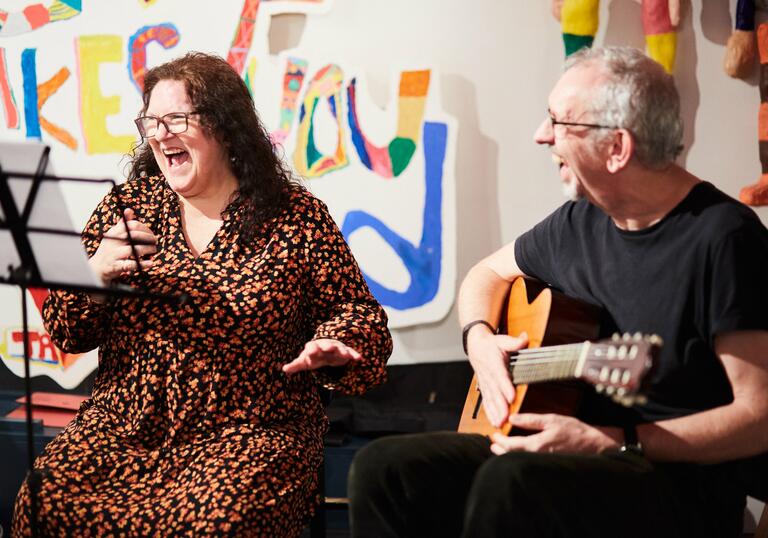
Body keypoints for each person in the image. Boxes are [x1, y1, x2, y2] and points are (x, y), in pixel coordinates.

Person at [348, 46, 768, 537]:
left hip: (672, 482)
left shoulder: (726, 240)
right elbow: (485, 275)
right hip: (560, 443)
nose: (540, 135)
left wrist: (616, 439)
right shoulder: (580, 221)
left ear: (618, 148)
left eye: (560, 122)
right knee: (385, 471)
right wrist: (479, 339)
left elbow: (758, 415)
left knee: (512, 482)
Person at [12, 52, 392, 537]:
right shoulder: (128, 206)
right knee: (43, 504)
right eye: (151, 121)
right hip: (124, 428)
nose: (160, 133)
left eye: (177, 119)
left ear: (224, 126)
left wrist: (337, 344)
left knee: (213, 525)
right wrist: (95, 275)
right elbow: (68, 332)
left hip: (249, 433)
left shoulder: (294, 216)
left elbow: (356, 312)